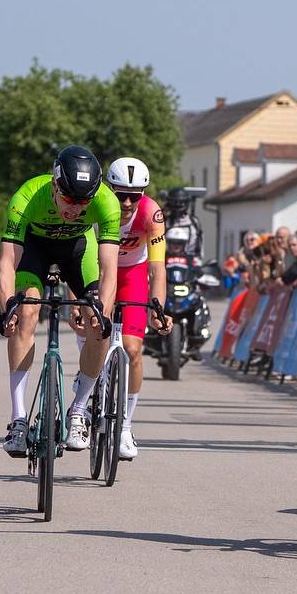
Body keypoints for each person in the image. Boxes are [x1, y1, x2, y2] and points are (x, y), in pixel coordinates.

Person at [0, 145, 121, 457]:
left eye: (83, 201)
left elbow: (109, 268)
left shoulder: (107, 201)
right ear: (55, 184)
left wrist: (102, 312)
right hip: (34, 249)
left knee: (99, 325)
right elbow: (8, 262)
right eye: (68, 198)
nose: (75, 208)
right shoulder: (26, 197)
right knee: (25, 313)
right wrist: (7, 307)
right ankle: (18, 419)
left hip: (77, 250)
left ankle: (78, 411)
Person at [103, 156, 171, 460]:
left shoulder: (151, 213)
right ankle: (87, 381)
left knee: (132, 349)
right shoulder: (97, 206)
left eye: (135, 195)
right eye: (121, 195)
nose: (128, 203)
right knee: (94, 332)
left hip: (133, 274)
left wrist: (158, 309)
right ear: (109, 190)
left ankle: (126, 426)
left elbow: (157, 268)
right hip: (99, 270)